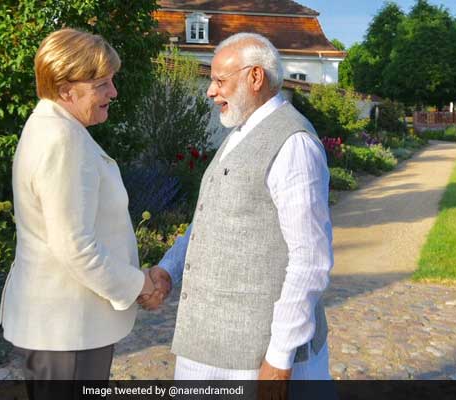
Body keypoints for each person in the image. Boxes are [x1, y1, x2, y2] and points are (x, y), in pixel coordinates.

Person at [142, 32, 334, 382]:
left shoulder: (293, 145)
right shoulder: (239, 133)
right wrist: (170, 267)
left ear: (255, 77)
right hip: (209, 344)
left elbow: (310, 260)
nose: (210, 91)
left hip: (255, 357)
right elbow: (211, 221)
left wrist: (279, 359)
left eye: (219, 80)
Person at [0, 28, 160, 383]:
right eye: (102, 84)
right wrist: (139, 285)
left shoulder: (52, 127)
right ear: (65, 88)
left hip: (63, 327)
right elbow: (75, 247)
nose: (113, 93)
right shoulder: (62, 140)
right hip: (66, 329)